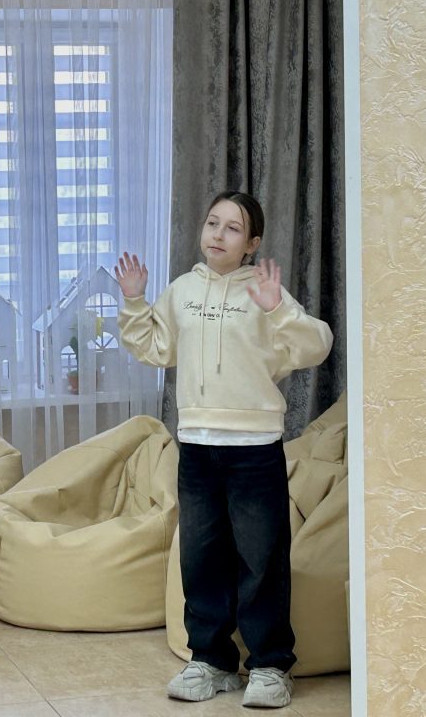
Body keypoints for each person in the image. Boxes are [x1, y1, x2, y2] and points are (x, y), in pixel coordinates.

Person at [116, 191, 332, 709]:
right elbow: (156, 348)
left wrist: (276, 308)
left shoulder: (265, 291)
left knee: (261, 560)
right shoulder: (182, 290)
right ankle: (210, 661)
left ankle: (270, 666)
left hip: (254, 449)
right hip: (196, 448)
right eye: (212, 222)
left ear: (252, 243)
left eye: (233, 228)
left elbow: (315, 345)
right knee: (201, 558)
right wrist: (135, 301)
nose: (218, 234)